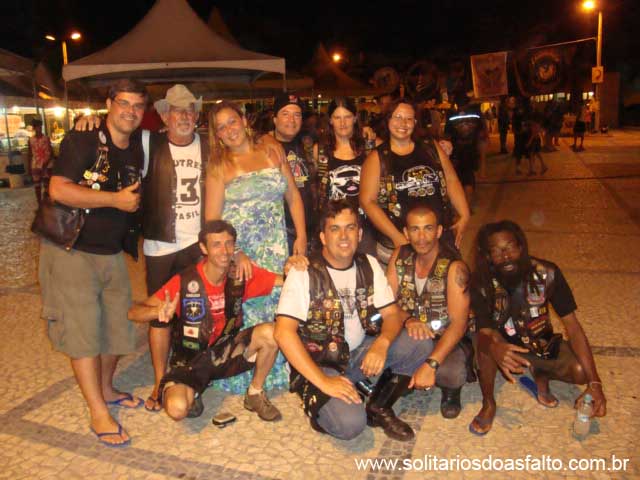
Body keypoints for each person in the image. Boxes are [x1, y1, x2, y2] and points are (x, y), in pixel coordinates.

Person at [72, 84, 209, 412]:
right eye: (176, 110)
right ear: (164, 115)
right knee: (159, 314)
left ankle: (194, 373)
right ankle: (160, 381)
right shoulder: (147, 142)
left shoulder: (209, 145)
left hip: (198, 244)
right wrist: (90, 120)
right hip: (161, 244)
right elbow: (114, 132)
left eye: (190, 110)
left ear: (196, 115)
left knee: (197, 310)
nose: (184, 117)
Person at [39, 79, 147, 447]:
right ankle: (98, 410)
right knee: (83, 332)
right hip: (72, 249)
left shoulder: (135, 146)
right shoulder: (84, 138)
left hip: (110, 252)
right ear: (109, 104)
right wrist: (115, 200)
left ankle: (107, 388)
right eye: (123, 103)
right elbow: (58, 189)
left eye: (137, 105)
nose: (130, 111)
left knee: (119, 327)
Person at [274, 200, 432, 441]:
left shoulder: (368, 263)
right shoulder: (303, 272)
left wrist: (382, 343)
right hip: (319, 362)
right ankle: (323, 397)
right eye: (335, 229)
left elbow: (391, 314)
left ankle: (378, 406)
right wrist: (324, 382)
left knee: (420, 342)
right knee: (350, 425)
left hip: (358, 351)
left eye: (350, 228)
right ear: (323, 237)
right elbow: (283, 333)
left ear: (359, 234)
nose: (344, 236)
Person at [128, 220, 302, 421]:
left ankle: (254, 392)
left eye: (229, 243)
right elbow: (133, 313)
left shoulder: (240, 275)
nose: (224, 251)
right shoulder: (185, 281)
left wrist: (293, 269)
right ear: (204, 248)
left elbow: (283, 280)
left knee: (271, 333)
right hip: (191, 359)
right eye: (216, 244)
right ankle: (193, 389)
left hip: (226, 352)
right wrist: (156, 311)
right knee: (177, 409)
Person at [468, 220, 607, 435]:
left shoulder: (548, 273)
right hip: (500, 341)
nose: (505, 256)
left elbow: (573, 327)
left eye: (510, 247)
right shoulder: (481, 281)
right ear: (487, 255)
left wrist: (595, 382)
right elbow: (483, 331)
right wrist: (495, 347)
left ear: (521, 246)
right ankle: (488, 403)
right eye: (496, 251)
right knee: (486, 346)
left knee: (580, 372)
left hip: (538, 341)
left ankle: (540, 370)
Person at [205, 101, 306, 393]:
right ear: (217, 135)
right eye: (221, 127)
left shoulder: (271, 151)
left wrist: (300, 236)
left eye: (232, 122)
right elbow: (212, 221)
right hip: (242, 253)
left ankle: (281, 368)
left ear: (244, 120)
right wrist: (235, 253)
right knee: (249, 312)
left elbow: (293, 196)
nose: (229, 130)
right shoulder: (219, 167)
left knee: (282, 306)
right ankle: (246, 373)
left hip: (276, 247)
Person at [360, 99, 470, 266]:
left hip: (439, 238)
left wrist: (464, 213)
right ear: (388, 119)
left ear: (415, 122)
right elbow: (367, 201)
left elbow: (451, 179)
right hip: (399, 242)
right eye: (397, 117)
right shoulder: (377, 157)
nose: (403, 123)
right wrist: (397, 237)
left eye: (409, 118)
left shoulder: (430, 148)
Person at [386, 203, 472, 419]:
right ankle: (407, 373)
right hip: (410, 335)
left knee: (451, 374)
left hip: (444, 338)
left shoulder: (454, 268)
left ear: (439, 231)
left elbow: (459, 324)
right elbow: (387, 303)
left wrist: (431, 364)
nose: (422, 237)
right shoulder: (399, 255)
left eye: (428, 228)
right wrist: (409, 320)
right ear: (406, 233)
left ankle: (451, 391)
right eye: (415, 229)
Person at [315, 97, 375, 255]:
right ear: (330, 120)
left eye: (347, 117)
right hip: (333, 228)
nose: (342, 123)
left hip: (366, 227)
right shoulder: (319, 151)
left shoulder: (370, 146)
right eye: (337, 117)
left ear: (355, 118)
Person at [266, 93, 317, 251]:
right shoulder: (264, 148)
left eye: (297, 115)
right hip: (279, 233)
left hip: (312, 230)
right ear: (275, 119)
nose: (292, 120)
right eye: (285, 114)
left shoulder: (308, 144)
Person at [444, 102, 486, 207]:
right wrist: (482, 160)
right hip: (471, 151)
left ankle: (461, 206)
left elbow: (446, 136)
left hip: (455, 153)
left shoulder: (451, 117)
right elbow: (482, 136)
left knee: (457, 180)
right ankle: (467, 205)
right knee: (469, 179)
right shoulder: (475, 116)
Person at [28, 118, 53, 205]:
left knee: (47, 185)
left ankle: (46, 203)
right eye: (38, 127)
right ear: (34, 128)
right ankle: (39, 204)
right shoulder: (31, 140)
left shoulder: (46, 138)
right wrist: (29, 167)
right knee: (37, 186)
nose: (39, 129)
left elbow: (51, 152)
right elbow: (30, 154)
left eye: (40, 127)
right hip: (35, 165)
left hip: (47, 164)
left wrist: (46, 164)